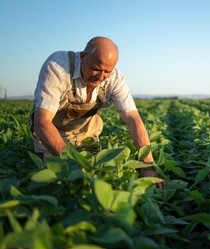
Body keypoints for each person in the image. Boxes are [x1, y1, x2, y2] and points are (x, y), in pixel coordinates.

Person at [30, 36, 164, 188]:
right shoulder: (58, 67)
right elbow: (42, 123)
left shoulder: (115, 79)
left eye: (107, 71)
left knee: (102, 180)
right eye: (96, 68)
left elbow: (133, 119)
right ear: (82, 56)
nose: (100, 77)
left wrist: (146, 164)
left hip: (87, 135)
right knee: (58, 182)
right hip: (52, 135)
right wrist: (76, 164)